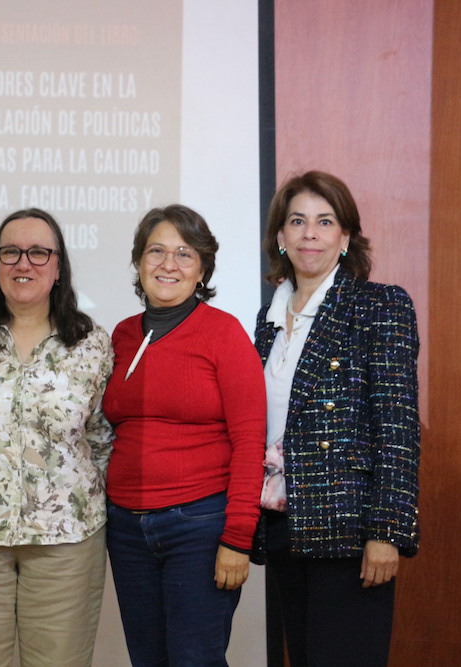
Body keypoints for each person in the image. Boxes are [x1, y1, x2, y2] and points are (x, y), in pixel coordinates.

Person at [0, 208, 114, 667]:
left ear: (58, 266)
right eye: (10, 252)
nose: (23, 263)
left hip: (66, 538)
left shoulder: (91, 342)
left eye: (38, 253)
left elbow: (101, 435)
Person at [253, 171, 420, 666]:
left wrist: (386, 532)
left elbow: (398, 429)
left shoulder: (379, 305)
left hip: (350, 532)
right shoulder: (266, 321)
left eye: (325, 222)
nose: (310, 234)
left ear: (345, 237)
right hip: (284, 524)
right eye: (297, 221)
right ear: (280, 236)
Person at [102, 205, 266, 666]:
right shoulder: (121, 336)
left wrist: (237, 537)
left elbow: (250, 441)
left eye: (184, 253)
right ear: (139, 262)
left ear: (202, 269)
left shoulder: (224, 333)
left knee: (195, 660)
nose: (168, 264)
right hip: (127, 530)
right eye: (156, 251)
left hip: (199, 527)